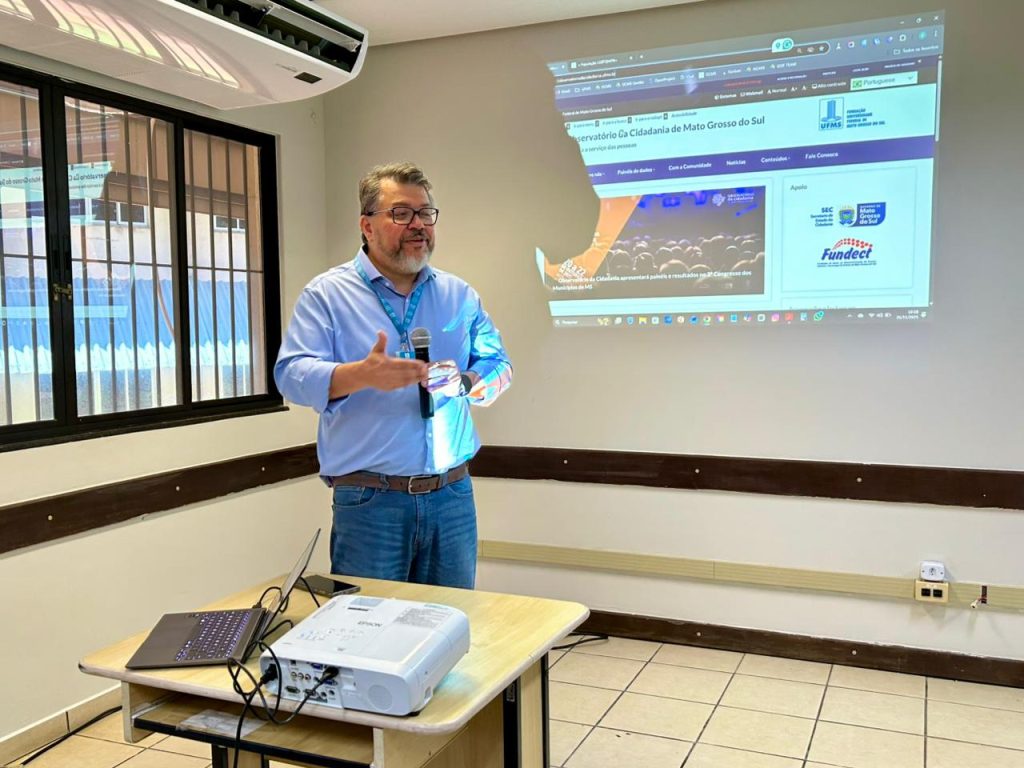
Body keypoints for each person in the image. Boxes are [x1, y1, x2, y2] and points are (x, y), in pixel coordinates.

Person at [274, 162, 512, 589]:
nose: (418, 224)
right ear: (366, 226)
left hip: (451, 495)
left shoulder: (458, 295)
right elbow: (291, 374)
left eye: (426, 213)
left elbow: (499, 366)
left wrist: (466, 383)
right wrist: (359, 375)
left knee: (450, 630)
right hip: (370, 501)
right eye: (401, 214)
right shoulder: (327, 295)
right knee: (370, 636)